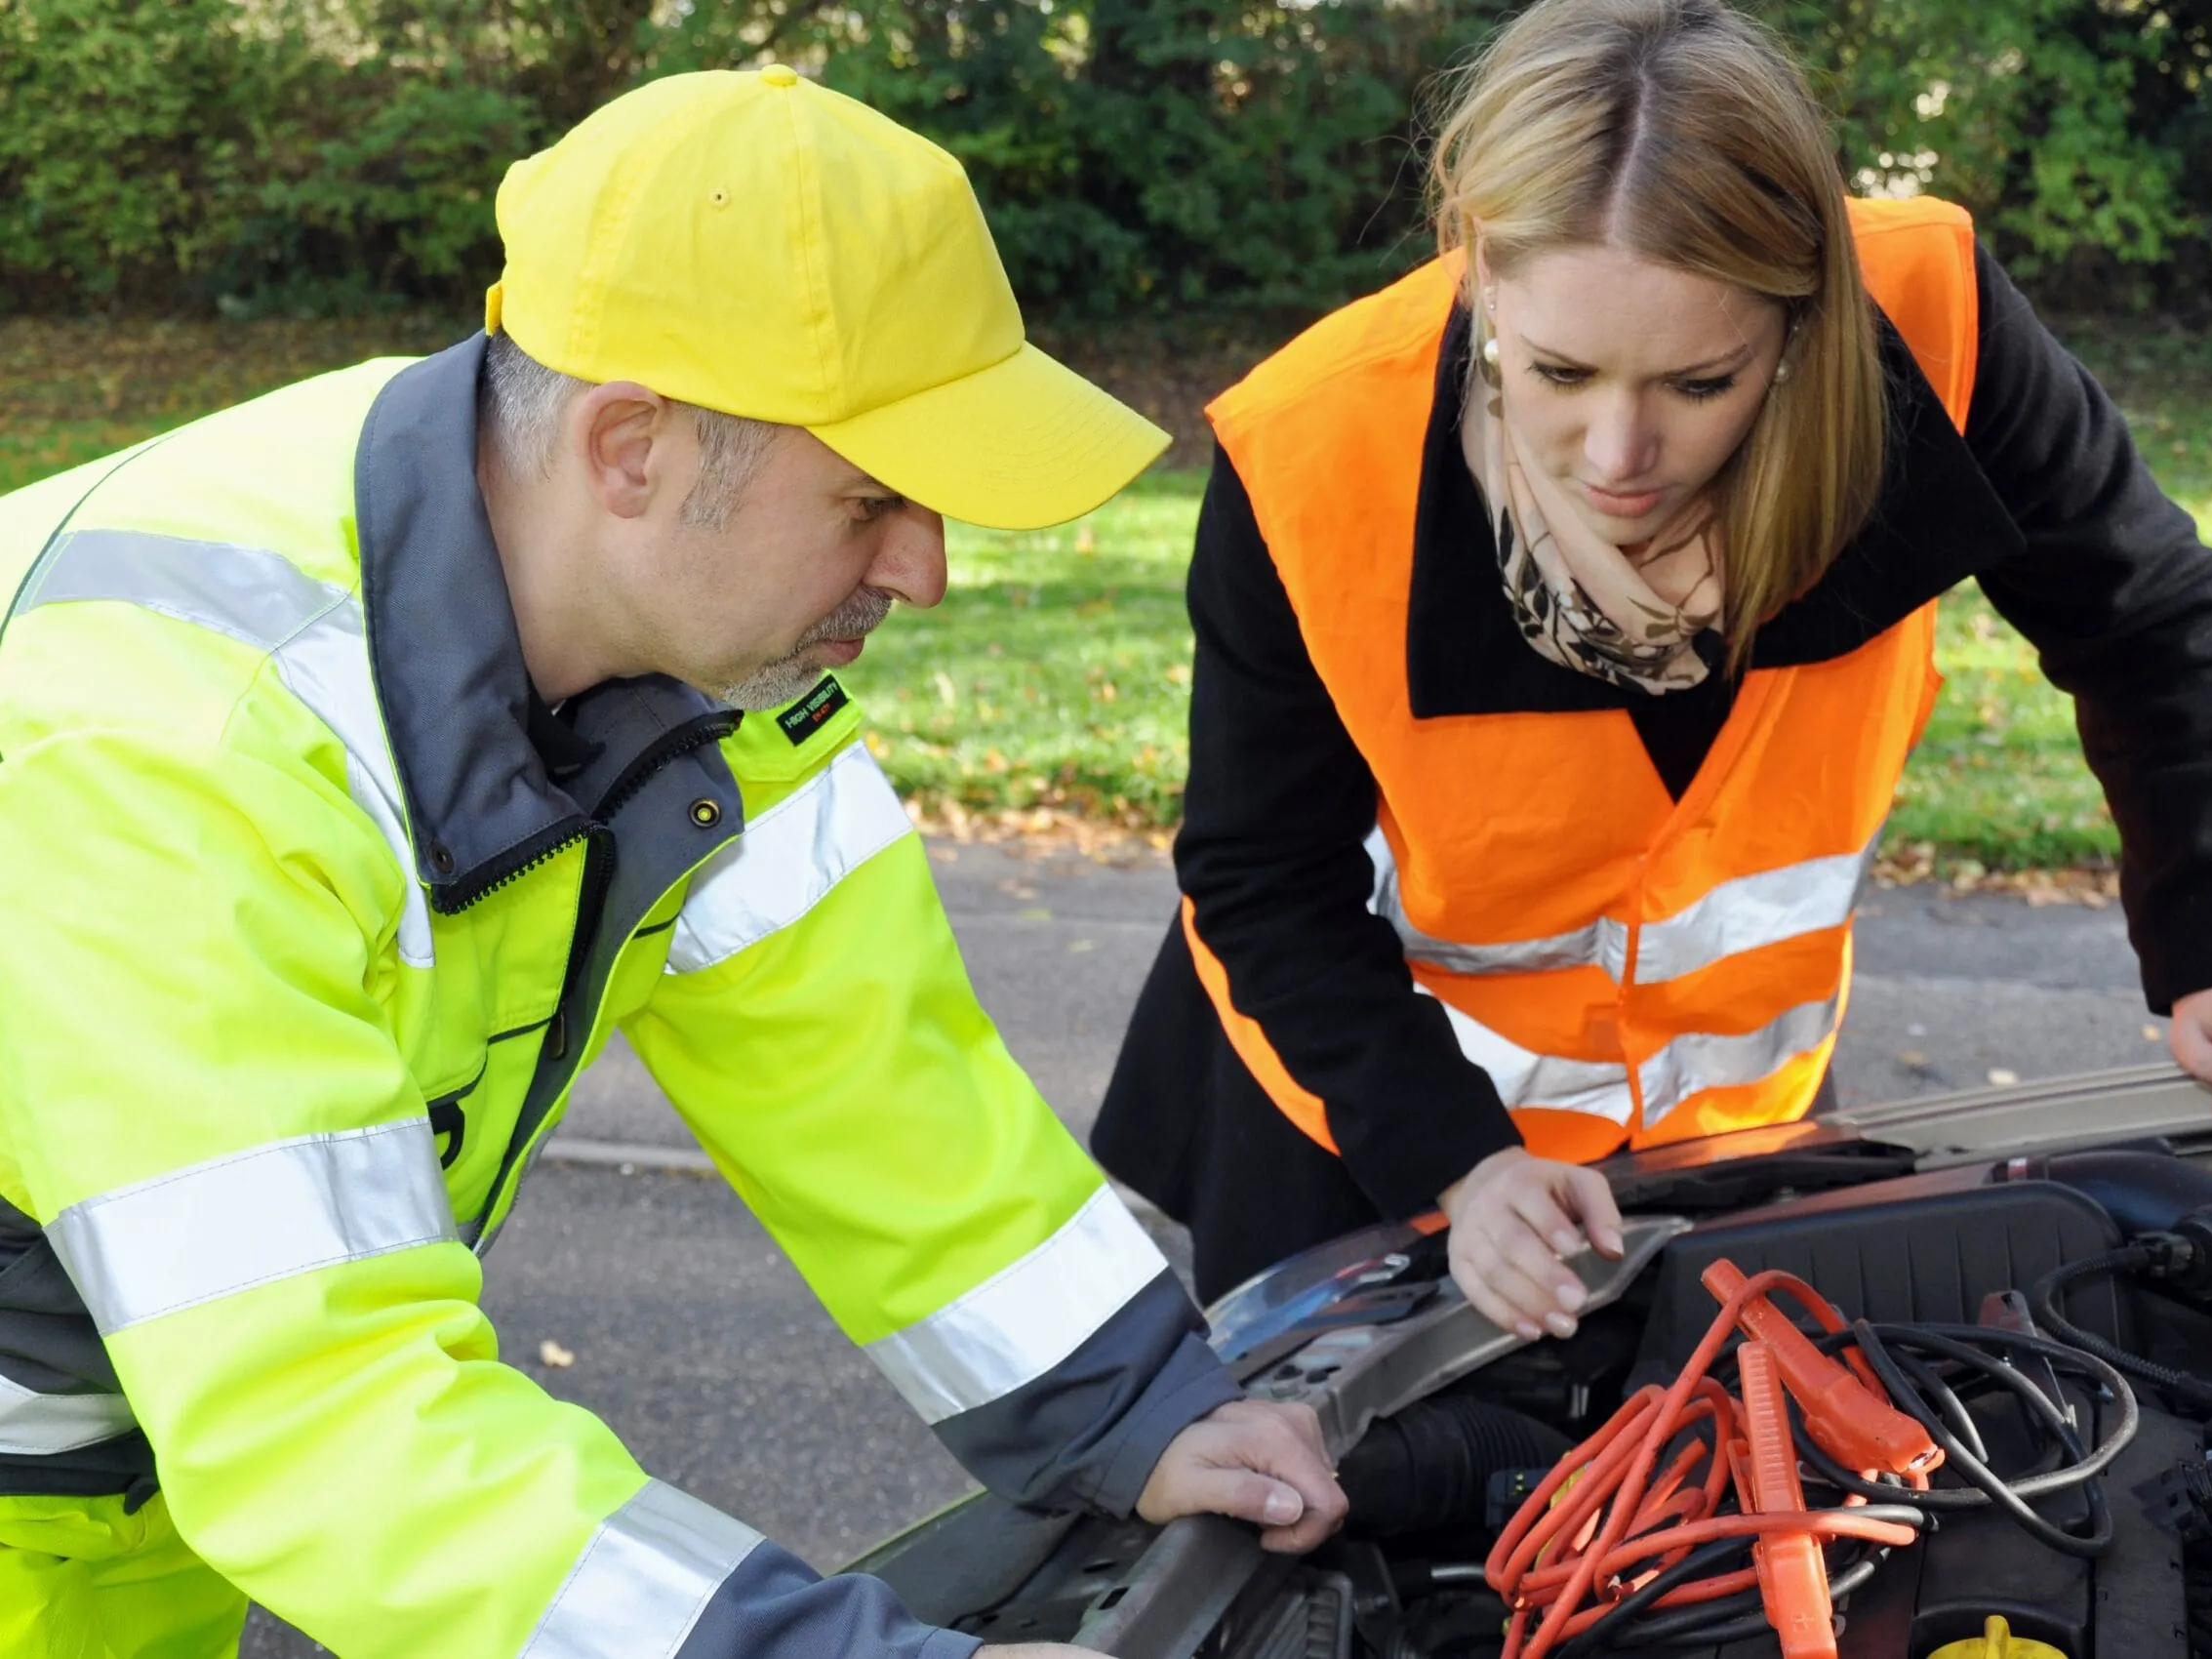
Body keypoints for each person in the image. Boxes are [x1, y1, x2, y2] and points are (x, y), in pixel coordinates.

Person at [0, 68, 1343, 1659]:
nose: (923, 568)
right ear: (629, 447)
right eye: (871, 499)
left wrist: (1142, 1408)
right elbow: (328, 1420)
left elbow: (873, 1088)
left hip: (121, 1512)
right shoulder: (161, 759)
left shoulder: (670, 650)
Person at [1093, 0, 2212, 1344]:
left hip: (1735, 1126)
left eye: (1701, 383)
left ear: (1801, 317)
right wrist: (1458, 1164)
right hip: (1366, 1118)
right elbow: (1262, 873)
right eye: (1559, 372)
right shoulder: (1310, 449)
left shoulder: (1933, 320)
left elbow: (2147, 620)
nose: (1618, 455)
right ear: (1481, 271)